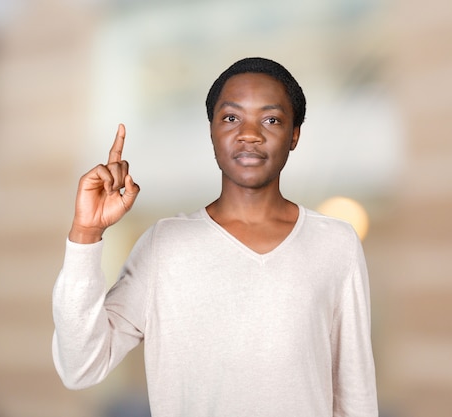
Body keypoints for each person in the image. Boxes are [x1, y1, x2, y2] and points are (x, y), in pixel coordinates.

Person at [52, 57, 378, 417]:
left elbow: (354, 391)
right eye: (231, 117)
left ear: (294, 135)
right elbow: (80, 366)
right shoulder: (165, 246)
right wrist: (86, 233)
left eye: (270, 119)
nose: (249, 133)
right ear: (211, 131)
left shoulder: (335, 242)